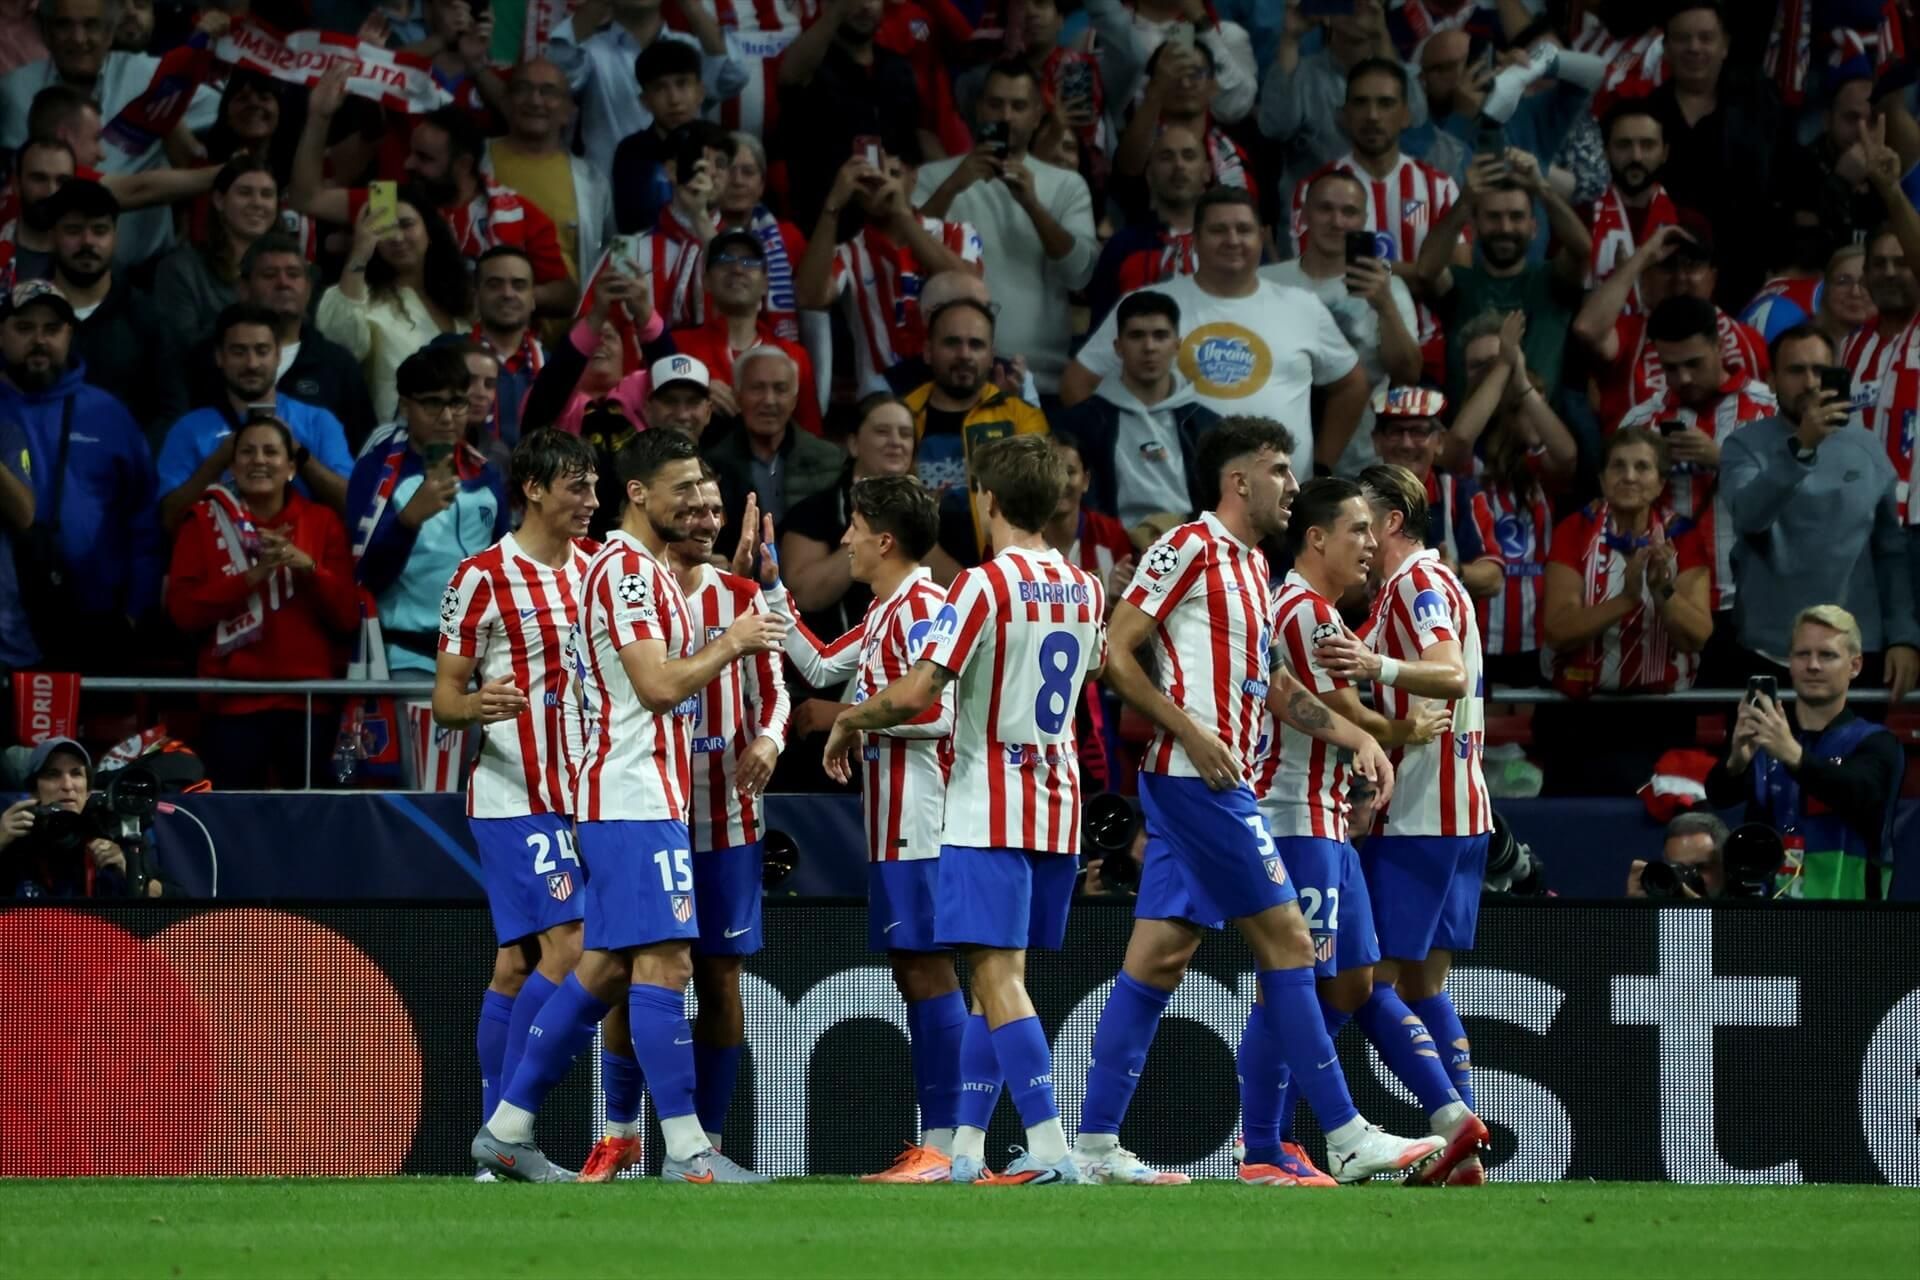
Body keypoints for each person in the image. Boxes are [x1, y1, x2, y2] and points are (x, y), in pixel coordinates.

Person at [1074, 422, 1454, 1187]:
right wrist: (1192, 731)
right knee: (1287, 940)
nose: (1291, 482)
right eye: (1279, 470)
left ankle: (1092, 1145)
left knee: (1157, 961)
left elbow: (1279, 690)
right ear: (1239, 481)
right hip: (1198, 779)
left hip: (1214, 778)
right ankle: (1344, 1134)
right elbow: (1114, 649)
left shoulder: (1251, 568)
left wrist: (1357, 736)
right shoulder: (1190, 547)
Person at [471, 428, 785, 1184]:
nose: (696, 505)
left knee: (607, 966)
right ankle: (688, 1151)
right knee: (668, 960)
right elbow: (657, 685)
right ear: (639, 493)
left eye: (704, 491)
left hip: (632, 789)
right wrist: (736, 639)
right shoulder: (628, 572)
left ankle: (508, 1129)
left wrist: (739, 585)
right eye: (681, 490)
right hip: (631, 788)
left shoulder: (639, 568)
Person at [819, 434, 1102, 1185]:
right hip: (1058, 801)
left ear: (990, 501)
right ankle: (967, 1151)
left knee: (998, 980)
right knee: (992, 980)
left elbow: (919, 693)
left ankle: (1050, 1150)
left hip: (988, 805)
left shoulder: (983, 585)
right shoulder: (1085, 586)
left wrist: (852, 717)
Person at [1255, 475, 1487, 1184]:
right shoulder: (1319, 605)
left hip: (1416, 814)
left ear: (1388, 521)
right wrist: (1385, 729)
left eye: (1365, 526)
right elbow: (1319, 704)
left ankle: (1304, 1137)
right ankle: (1450, 1131)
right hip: (1400, 812)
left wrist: (1378, 680)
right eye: (1347, 528)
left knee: (1357, 984)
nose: (1361, 542)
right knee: (1397, 984)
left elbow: (1443, 676)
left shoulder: (1414, 583)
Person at [762, 473, 965, 1182]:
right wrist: (768, 590)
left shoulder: (925, 608)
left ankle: (944, 1146)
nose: (842, 538)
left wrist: (854, 720)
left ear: (883, 538)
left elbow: (945, 714)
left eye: (852, 526)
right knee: (916, 974)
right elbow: (817, 664)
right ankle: (942, 1142)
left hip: (924, 818)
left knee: (929, 971)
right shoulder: (886, 610)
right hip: (890, 822)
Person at [434, 429, 600, 1170]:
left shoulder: (598, 571)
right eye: (577, 487)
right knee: (572, 946)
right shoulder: (481, 577)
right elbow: (443, 699)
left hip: (587, 792)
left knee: (513, 964)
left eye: (595, 487)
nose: (590, 502)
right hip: (514, 792)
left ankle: (491, 1150)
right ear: (532, 488)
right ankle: (512, 1129)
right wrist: (478, 705)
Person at [647, 470, 787, 1180]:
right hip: (653, 810)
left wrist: (769, 739)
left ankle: (711, 1142)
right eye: (692, 508)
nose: (704, 520)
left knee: (721, 980)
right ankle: (619, 1133)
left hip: (729, 819)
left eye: (714, 510)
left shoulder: (742, 596)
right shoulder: (641, 589)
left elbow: (778, 692)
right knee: (634, 971)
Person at [1066, 188, 1368, 475]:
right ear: (1194, 239)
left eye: (1244, 229)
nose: (1232, 240)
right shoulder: (1148, 304)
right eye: (1218, 230)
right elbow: (1077, 383)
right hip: (1176, 499)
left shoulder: (1303, 306)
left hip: (1281, 502)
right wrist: (1115, 455)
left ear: (1262, 237)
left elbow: (1351, 385)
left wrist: (1322, 465)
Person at [1719, 325, 1918, 701]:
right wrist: (1802, 449)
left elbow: (1890, 553)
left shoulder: (1867, 448)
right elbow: (1749, 516)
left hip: (1856, 651)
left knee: (1851, 760)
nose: (1810, 382)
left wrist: (1904, 636)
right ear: (1772, 380)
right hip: (1770, 649)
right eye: (1795, 371)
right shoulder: (1743, 445)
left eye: (1819, 370)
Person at [165, 415, 357, 788]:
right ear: (232, 466)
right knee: (234, 823)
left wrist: (308, 567)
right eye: (247, 452)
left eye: (271, 451)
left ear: (290, 467)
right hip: (232, 701)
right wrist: (252, 578)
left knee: (310, 821)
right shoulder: (204, 520)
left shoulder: (322, 522)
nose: (259, 460)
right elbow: (183, 613)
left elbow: (348, 615)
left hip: (308, 704)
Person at [1538, 427, 1713, 793]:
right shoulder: (1575, 530)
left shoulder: (1682, 535)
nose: (1629, 476)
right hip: (1581, 716)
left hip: (1659, 718)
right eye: (1618, 466)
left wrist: (1662, 590)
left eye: (1642, 467)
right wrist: (1627, 599)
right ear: (1602, 478)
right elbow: (1557, 630)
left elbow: (1696, 637)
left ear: (1661, 481)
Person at [915, 59, 1098, 399]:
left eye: (1018, 106)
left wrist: (1032, 204)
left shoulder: (1066, 185)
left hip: (1037, 378)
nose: (1006, 116)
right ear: (979, 108)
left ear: (1037, 114)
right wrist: (954, 185)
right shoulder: (934, 178)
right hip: (949, 377)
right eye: (996, 104)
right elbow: (902, 254)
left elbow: (1080, 275)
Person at [0, 278, 157, 669]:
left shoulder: (108, 414)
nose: (39, 340)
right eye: (24, 328)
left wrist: (136, 610)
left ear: (70, 334)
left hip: (97, 626)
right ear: (1, 334)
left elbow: (144, 520)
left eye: (52, 329)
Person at [1616, 295, 1780, 662]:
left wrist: (1722, 459)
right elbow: (1613, 512)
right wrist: (1647, 471)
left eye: (1694, 363)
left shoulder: (1770, 411)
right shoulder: (1640, 423)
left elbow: (1800, 497)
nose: (1683, 378)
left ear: (1719, 346)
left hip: (1757, 600)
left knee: (1753, 717)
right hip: (1670, 602)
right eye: (1671, 368)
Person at [1703, 605, 1904, 900]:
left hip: (1851, 918)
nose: (1813, 665)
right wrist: (1736, 761)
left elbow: (1861, 794)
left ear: (1855, 665)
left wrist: (1793, 755)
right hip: (1767, 914)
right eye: (1802, 654)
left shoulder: (1876, 742)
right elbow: (1719, 794)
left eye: (1827, 655)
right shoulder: (1767, 738)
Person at [0, 0, 219, 265]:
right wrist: (229, 173)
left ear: (109, 31)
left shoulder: (151, 78)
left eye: (91, 25)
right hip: (43, 273)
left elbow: (233, 110)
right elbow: (139, 189)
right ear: (45, 31)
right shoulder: (13, 91)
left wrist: (170, 118)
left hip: (145, 276)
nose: (78, 39)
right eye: (63, 24)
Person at [1288, 57, 1462, 372]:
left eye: (1385, 103)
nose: (1372, 115)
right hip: (1340, 358)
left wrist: (1362, 267)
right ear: (1344, 115)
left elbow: (1457, 280)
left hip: (1426, 352)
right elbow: (1316, 273)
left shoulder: (1440, 187)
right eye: (1361, 103)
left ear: (1407, 115)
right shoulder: (1311, 191)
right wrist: (1422, 272)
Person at [346, 347, 509, 677]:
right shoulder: (377, 472)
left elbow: (504, 569)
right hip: (407, 660)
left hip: (481, 664)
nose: (447, 417)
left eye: (457, 402)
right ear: (405, 405)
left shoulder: (487, 475)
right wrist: (408, 521)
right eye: (433, 403)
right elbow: (362, 577)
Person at [1262, 168, 1421, 477]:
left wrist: (1385, 306)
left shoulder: (1389, 288)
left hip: (1358, 465)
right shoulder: (1266, 283)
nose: (1336, 221)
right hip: (1275, 462)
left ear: (1364, 220)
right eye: (1325, 209)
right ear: (1305, 213)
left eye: (1348, 212)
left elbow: (1408, 374)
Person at [1450, 312, 1578, 683]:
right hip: (1475, 630)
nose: (1495, 375)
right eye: (1481, 367)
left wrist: (1518, 377)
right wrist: (1506, 365)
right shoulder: (1465, 462)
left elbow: (1568, 455)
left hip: (1535, 630)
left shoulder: (1535, 463)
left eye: (1500, 360)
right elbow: (1459, 439)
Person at [795, 147, 983, 396]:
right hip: (882, 400)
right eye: (868, 177)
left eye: (893, 173)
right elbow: (809, 297)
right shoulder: (848, 253)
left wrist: (903, 217)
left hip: (951, 391)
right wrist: (833, 206)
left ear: (914, 176)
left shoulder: (956, 233)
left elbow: (968, 288)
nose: (882, 184)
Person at [156, 303, 354, 534]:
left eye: (262, 351)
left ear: (279, 354)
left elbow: (352, 507)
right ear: (219, 356)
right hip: (219, 563)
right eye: (239, 352)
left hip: (300, 560)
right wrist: (219, 459)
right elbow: (168, 520)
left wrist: (298, 454)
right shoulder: (189, 429)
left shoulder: (318, 422)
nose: (252, 364)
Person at [1416, 151, 1591, 408]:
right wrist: (1465, 201)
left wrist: (1542, 188)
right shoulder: (1459, 282)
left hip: (1537, 437)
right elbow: (1425, 270)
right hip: (1468, 436)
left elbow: (1582, 249)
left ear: (1534, 228)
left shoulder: (1551, 278)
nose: (1506, 228)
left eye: (1516, 216)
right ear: (1474, 226)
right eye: (1493, 217)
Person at [1640, 1, 1784, 308]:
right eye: (1682, 38)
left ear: (1725, 46)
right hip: (1663, 279)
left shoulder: (1759, 110)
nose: (1694, 48)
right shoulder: (1646, 114)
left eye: (1706, 38)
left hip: (1742, 279)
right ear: (1664, 47)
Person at [181, 233, 378, 455]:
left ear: (309, 288)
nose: (283, 283)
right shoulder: (205, 359)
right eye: (269, 275)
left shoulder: (337, 365)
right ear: (243, 289)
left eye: (293, 275)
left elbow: (365, 454)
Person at [1573, 211, 1770, 431]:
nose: (1680, 279)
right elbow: (1586, 329)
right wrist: (1643, 256)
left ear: (1712, 277)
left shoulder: (1749, 340)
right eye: (1667, 266)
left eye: (1692, 265)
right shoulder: (1627, 334)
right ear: (1644, 280)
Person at [1053, 290, 1218, 531]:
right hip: (1111, 552)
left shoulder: (1208, 424)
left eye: (1160, 336)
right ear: (1118, 347)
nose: (1149, 347)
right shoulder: (1079, 424)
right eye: (1136, 335)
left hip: (1193, 550)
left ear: (1176, 346)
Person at [902, 298, 1049, 562]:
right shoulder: (902, 417)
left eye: (976, 345)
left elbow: (1036, 512)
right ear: (927, 350)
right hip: (917, 578)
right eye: (952, 342)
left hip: (1002, 580)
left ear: (991, 356)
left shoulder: (1022, 418)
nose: (965, 354)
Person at [318, 187, 473, 424]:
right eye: (385, 228)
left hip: (463, 438)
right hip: (398, 444)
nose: (397, 237)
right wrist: (360, 252)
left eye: (406, 224)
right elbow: (340, 351)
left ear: (429, 230)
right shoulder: (359, 297)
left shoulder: (460, 300)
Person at [42, 176, 180, 438]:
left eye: (99, 230)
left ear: (115, 237)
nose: (87, 242)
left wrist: (131, 463)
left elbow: (170, 411)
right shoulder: (23, 318)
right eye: (73, 230)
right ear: (51, 237)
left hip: (125, 470)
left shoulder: (149, 318)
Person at [779, 392, 922, 638]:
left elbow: (953, 586)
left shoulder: (926, 512)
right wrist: (876, 526)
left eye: (905, 434)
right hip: (834, 664)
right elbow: (804, 596)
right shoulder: (814, 510)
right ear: (854, 444)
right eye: (882, 432)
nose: (896, 442)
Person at [549, 0, 742, 178]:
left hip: (689, 198)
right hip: (612, 200)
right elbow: (556, 71)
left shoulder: (690, 49)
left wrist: (692, 6)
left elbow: (733, 76)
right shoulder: (590, 52)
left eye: (681, 83)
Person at [775, 0, 922, 229]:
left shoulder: (898, 69)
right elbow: (789, 75)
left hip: (890, 224)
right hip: (824, 225)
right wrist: (835, 13)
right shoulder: (811, 65)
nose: (864, 5)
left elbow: (911, 153)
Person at [669, 228, 820, 434]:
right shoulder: (677, 347)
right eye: (724, 260)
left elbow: (810, 437)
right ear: (706, 282)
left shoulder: (794, 356)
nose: (738, 269)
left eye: (750, 262)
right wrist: (694, 395)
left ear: (766, 283)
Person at [699, 346, 843, 554]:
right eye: (757, 388)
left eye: (780, 389)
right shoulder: (712, 463)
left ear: (794, 400)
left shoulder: (829, 458)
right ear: (737, 396)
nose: (769, 400)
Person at [486, 56, 613, 288]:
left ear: (569, 111)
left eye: (549, 92)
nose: (535, 101)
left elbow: (607, 257)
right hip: (488, 317)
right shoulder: (475, 161)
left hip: (571, 322)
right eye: (523, 89)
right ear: (505, 102)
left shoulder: (593, 183)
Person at [1367, 387, 1501, 600]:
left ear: (1439, 441)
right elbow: (1328, 582)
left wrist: (1451, 571)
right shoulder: (1354, 500)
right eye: (1395, 432)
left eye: (1418, 432)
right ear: (1376, 441)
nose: (1407, 443)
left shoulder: (1461, 495)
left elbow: (1493, 578)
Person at [148, 156, 282, 350]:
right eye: (245, 193)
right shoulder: (181, 270)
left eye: (267, 194)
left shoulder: (293, 272)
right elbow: (179, 349)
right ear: (219, 200)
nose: (257, 203)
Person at [1083, 122, 1208, 331]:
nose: (1179, 165)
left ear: (1207, 171)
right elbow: (1100, 337)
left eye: (1188, 156)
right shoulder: (1122, 248)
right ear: (1149, 175)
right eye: (1167, 157)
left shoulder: (1232, 244)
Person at [0, 737, 161, 897]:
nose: (67, 785)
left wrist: (129, 872)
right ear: (34, 790)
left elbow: (176, 897)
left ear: (88, 791)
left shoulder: (113, 830)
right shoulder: (17, 833)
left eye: (76, 773)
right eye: (53, 774)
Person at [1583, 101, 1675, 309]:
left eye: (1648, 145)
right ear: (1605, 151)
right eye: (1624, 145)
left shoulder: (1685, 221)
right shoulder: (1582, 216)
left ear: (1665, 153)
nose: (1636, 156)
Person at [469, 246, 542, 453]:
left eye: (519, 285)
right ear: (476, 296)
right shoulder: (448, 356)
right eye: (494, 285)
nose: (508, 294)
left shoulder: (553, 365)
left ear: (533, 298)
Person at [1625, 810, 1727, 898]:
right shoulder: (1656, 915)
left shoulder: (1738, 916)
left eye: (1700, 867)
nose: (1687, 880)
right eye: (1678, 869)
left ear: (1725, 869)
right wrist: (1635, 909)